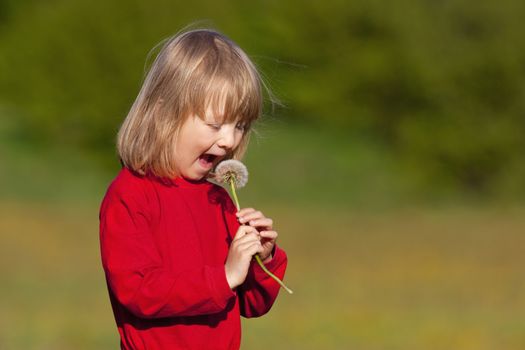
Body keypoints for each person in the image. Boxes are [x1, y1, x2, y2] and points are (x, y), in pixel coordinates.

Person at [98, 28, 288, 350]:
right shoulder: (130, 196)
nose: (229, 140)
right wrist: (224, 277)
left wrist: (261, 259)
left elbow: (252, 305)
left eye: (240, 125)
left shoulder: (218, 198)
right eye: (215, 125)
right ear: (164, 112)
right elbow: (137, 291)